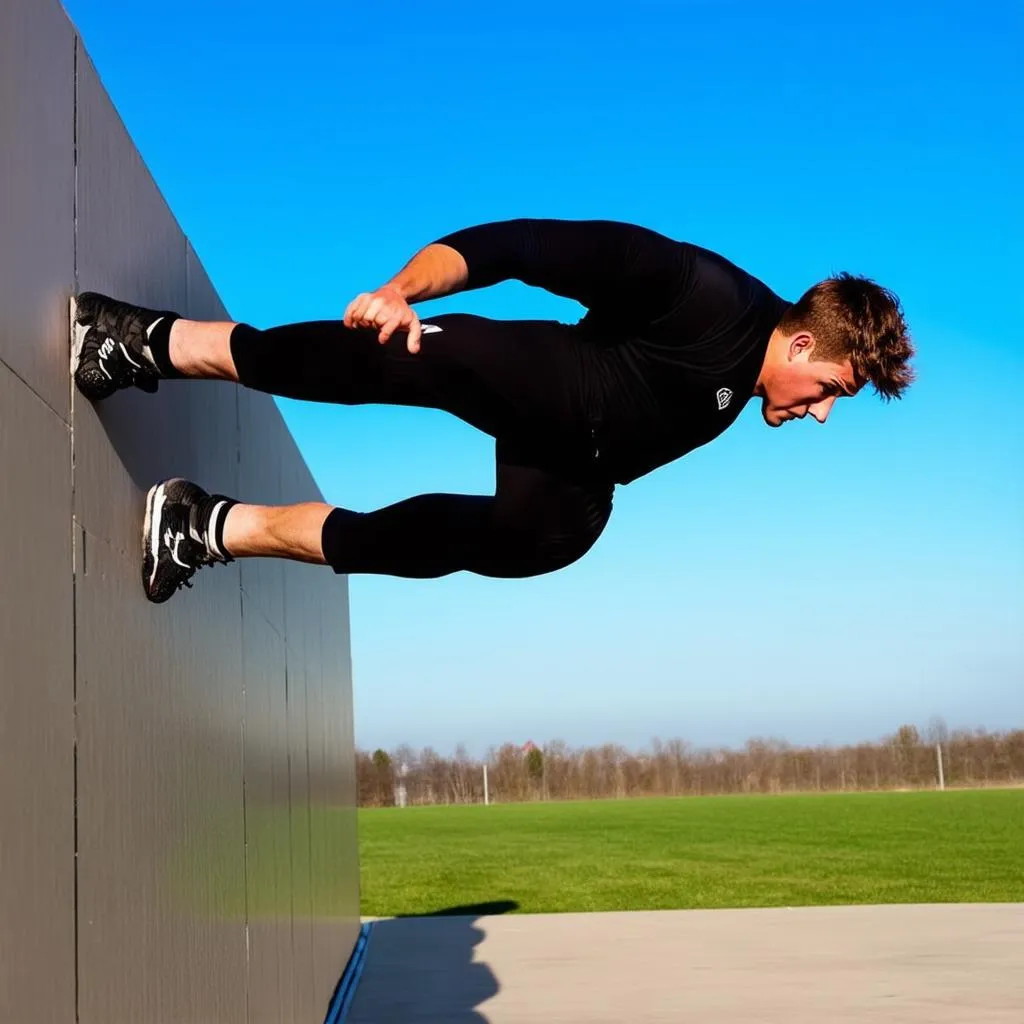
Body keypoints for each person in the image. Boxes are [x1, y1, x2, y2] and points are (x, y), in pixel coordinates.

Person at [71, 218, 914, 604]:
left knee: (538, 540)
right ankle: (141, 339)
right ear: (803, 347)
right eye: (835, 391)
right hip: (539, 377)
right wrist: (401, 292)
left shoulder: (743, 392)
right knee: (377, 355)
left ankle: (205, 525)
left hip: (572, 477)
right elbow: (519, 246)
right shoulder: (698, 290)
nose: (823, 414)